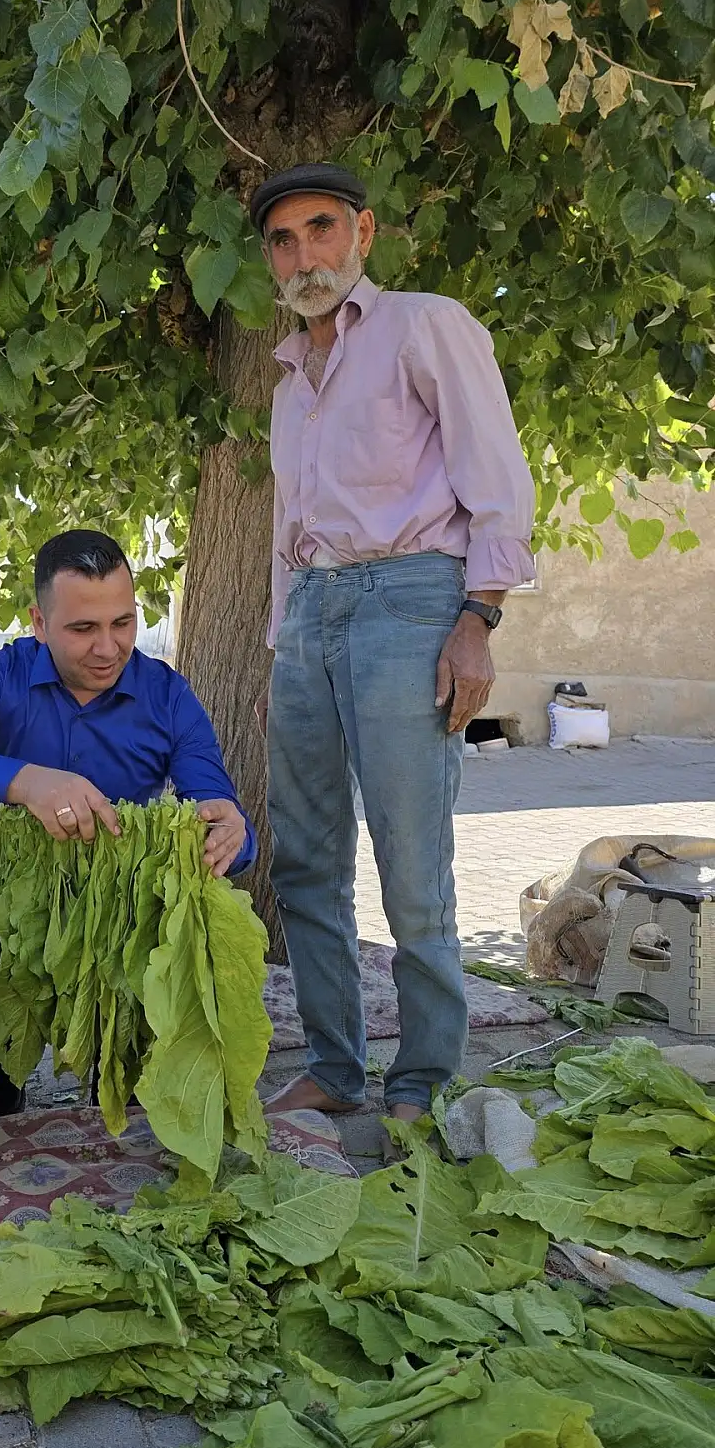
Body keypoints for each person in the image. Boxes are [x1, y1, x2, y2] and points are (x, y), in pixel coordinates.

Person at [250, 163, 536, 1131]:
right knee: (303, 859)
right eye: (282, 241)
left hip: (410, 600)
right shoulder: (289, 382)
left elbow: (494, 473)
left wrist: (478, 618)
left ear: (362, 232)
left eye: (319, 229)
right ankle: (334, 1062)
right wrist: (279, 648)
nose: (303, 254)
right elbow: (290, 527)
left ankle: (419, 1076)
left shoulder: (424, 325)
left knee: (411, 861)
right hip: (311, 617)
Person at [0, 528, 254, 1134]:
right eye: (83, 629)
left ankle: (111, 1072)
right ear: (39, 621)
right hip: (7, 906)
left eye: (123, 623)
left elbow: (220, 815)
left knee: (128, 1096)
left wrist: (229, 833)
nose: (108, 648)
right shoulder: (2, 676)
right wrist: (25, 781)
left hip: (123, 917)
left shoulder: (169, 696)